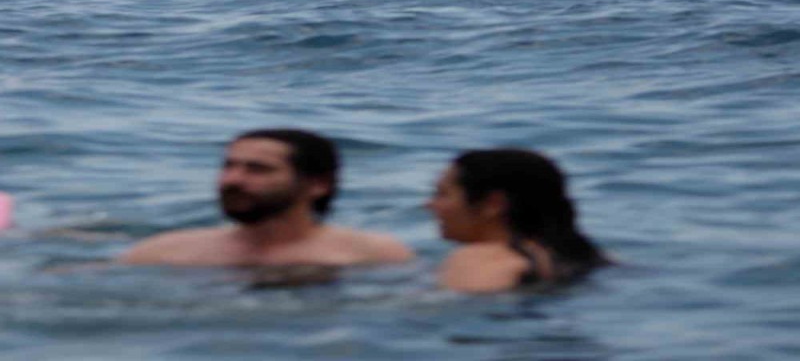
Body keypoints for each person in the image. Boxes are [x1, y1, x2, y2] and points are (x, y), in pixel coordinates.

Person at [119, 129, 414, 267]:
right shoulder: (162, 254)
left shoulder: (373, 256)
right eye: (229, 166)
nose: (233, 180)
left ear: (317, 185)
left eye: (257, 169)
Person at [427, 148, 610, 293]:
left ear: (494, 204)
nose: (430, 205)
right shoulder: (587, 257)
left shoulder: (478, 258)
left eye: (442, 194)